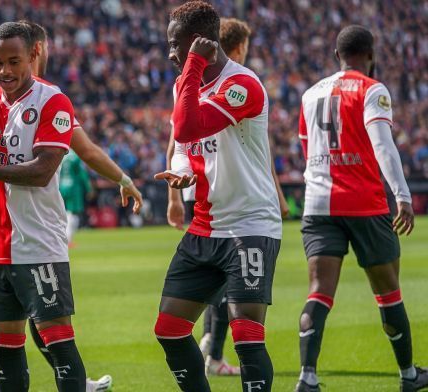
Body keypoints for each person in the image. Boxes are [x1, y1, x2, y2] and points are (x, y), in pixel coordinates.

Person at [0, 20, 141, 392]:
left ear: (32, 56)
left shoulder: (52, 101)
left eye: (14, 61)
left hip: (39, 244)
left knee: (58, 344)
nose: (5, 71)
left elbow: (41, 172)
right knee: (6, 348)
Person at [153, 2, 282, 391]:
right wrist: (182, 170)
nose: (171, 53)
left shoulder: (242, 84)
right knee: (169, 329)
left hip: (250, 226)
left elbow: (189, 126)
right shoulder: (184, 83)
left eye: (176, 45)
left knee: (246, 337)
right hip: (205, 227)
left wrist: (192, 64)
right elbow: (182, 143)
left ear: (199, 43)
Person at [294, 25, 425, 392]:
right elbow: (383, 145)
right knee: (388, 291)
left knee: (319, 290)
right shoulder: (372, 89)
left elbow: (306, 150)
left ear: (337, 55)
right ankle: (408, 376)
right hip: (364, 203)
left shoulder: (309, 94)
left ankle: (307, 377)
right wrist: (401, 195)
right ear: (370, 56)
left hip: (318, 203)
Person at [196, 16, 291, 377]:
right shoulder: (238, 82)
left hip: (199, 186)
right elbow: (258, 152)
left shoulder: (202, 86)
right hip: (228, 192)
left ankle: (211, 342)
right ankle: (215, 349)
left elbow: (180, 133)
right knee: (229, 276)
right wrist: (277, 194)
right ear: (238, 47)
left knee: (219, 273)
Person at [59, 149, 93, 246]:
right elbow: (82, 174)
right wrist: (89, 188)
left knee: (62, 212)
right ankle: (68, 240)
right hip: (73, 188)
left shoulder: (63, 156)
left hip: (62, 186)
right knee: (72, 213)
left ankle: (61, 238)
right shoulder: (76, 157)